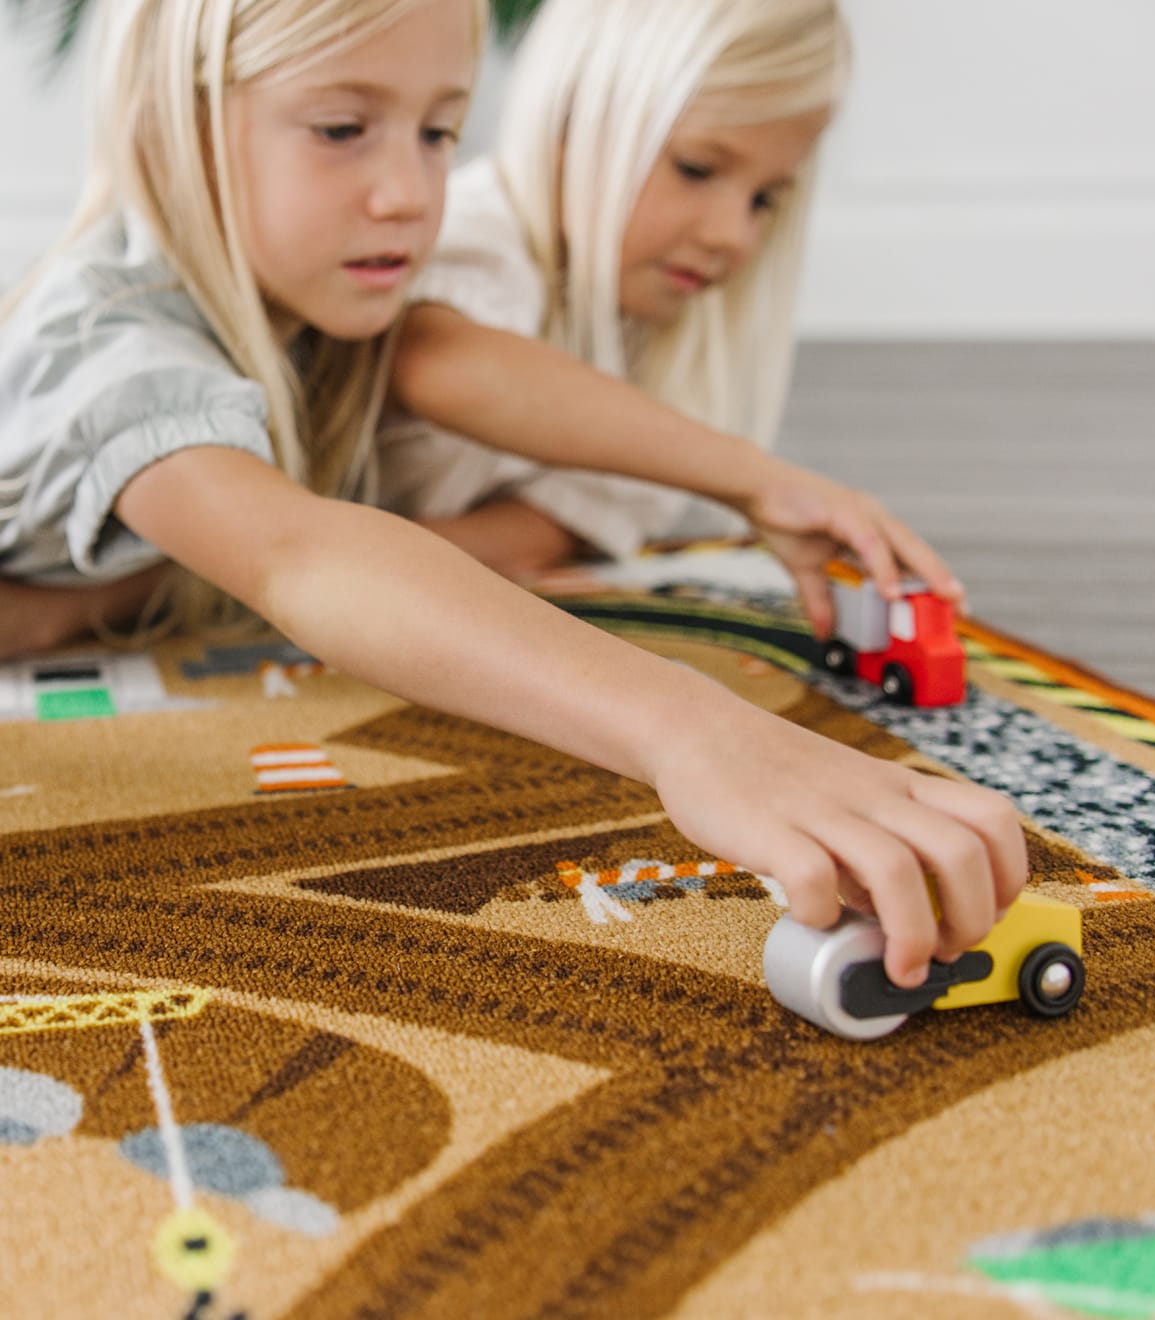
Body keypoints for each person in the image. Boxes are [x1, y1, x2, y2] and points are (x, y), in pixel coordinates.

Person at [0, 0, 1026, 990]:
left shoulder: (297, 288)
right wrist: (693, 732)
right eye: (344, 129)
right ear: (169, 119)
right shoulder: (110, 346)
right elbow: (297, 554)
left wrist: (765, 486)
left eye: (440, 131)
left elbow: (447, 357)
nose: (409, 191)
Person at [377, 0, 877, 581]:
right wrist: (756, 478)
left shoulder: (674, 354)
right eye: (695, 169)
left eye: (764, 199)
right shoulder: (471, 236)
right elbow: (435, 364)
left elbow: (528, 539)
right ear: (572, 120)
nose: (731, 236)